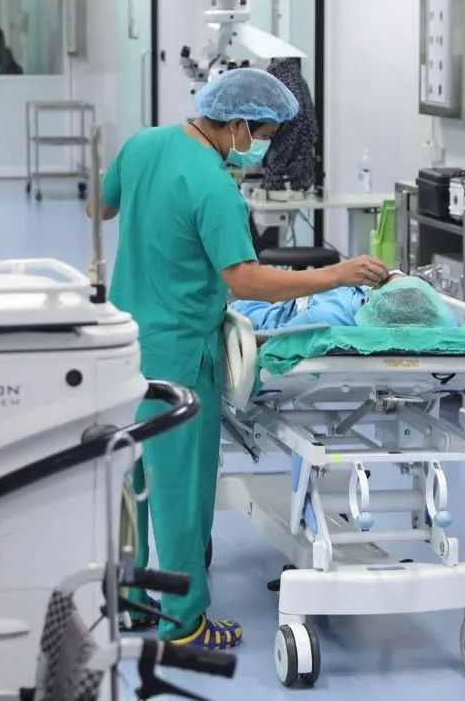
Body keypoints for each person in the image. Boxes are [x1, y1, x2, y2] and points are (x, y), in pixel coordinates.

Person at [85, 67, 389, 651]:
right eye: (264, 134)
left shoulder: (143, 144)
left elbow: (97, 207)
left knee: (132, 477)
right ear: (240, 124)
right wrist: (338, 274)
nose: (262, 147)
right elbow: (247, 282)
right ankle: (184, 624)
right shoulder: (214, 187)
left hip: (122, 346)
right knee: (180, 491)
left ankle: (133, 600)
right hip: (178, 354)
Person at [232, 272, 461, 331]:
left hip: (269, 314)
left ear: (376, 295)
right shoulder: (435, 317)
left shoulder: (325, 319)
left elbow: (272, 340)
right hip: (299, 298)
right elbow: (454, 327)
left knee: (237, 309)